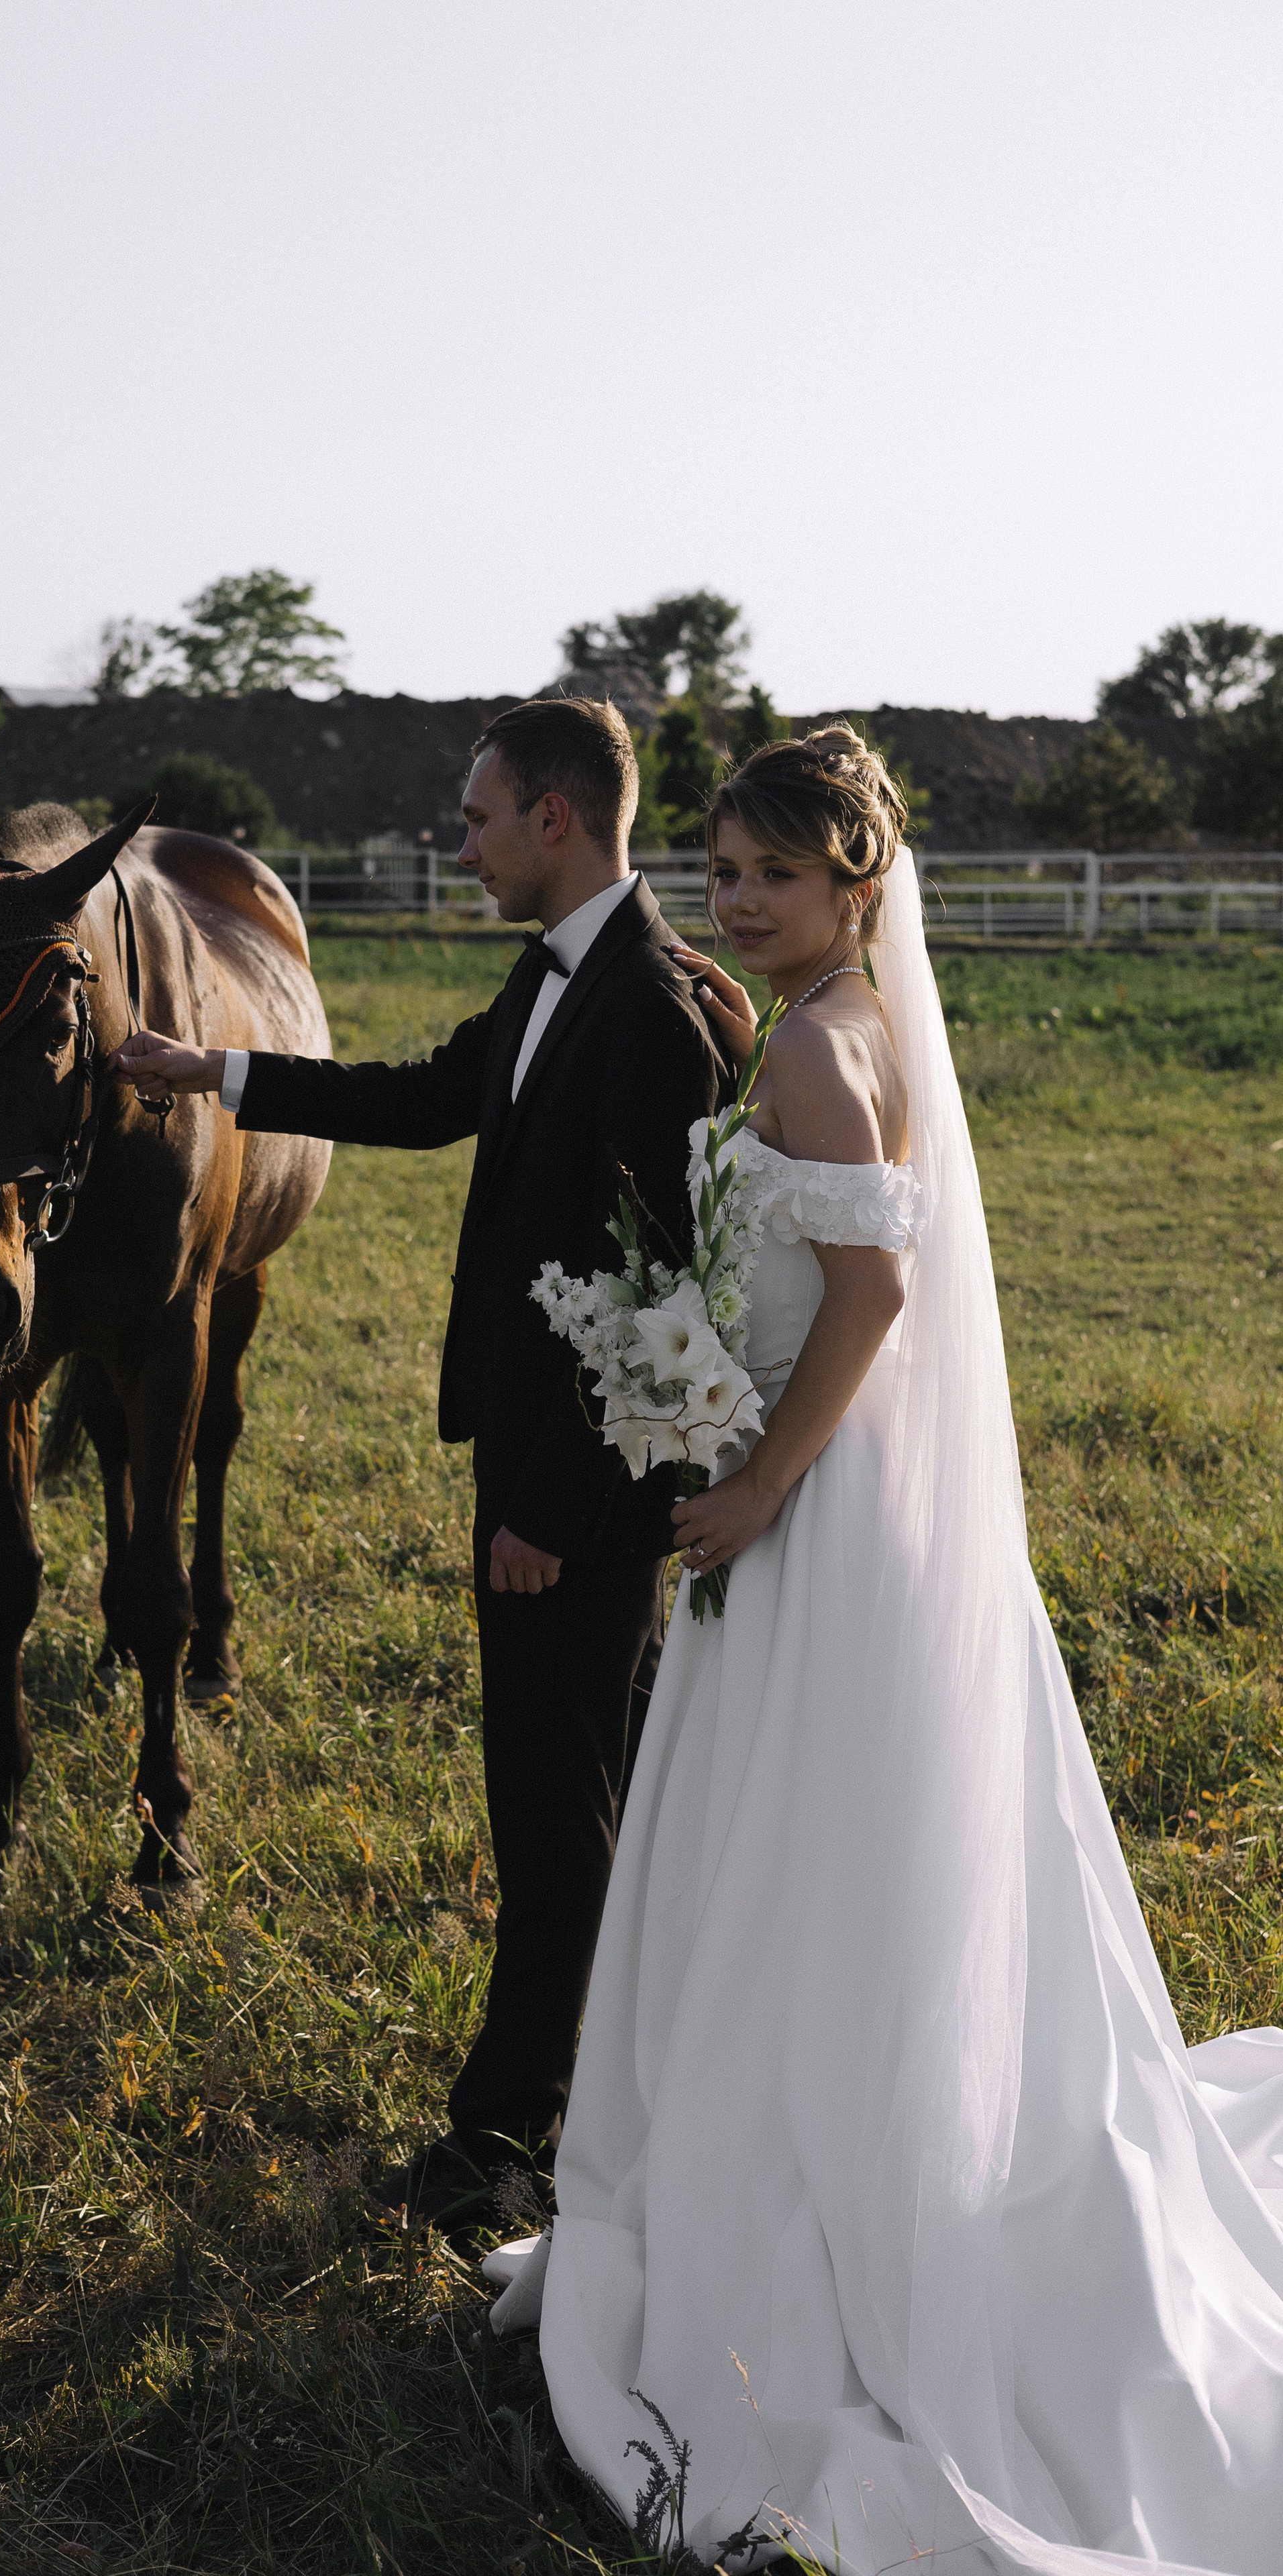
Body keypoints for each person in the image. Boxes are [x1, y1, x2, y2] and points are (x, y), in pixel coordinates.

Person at [484, 726, 1283, 2575]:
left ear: (860, 885)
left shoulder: (831, 1060)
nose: (737, 899)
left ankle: (806, 2218)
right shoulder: (828, 1032)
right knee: (804, 1854)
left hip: (819, 1517)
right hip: (823, 1507)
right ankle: (780, 2160)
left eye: (773, 873)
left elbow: (875, 1296)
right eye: (723, 868)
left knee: (799, 1861)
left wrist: (757, 1475)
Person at [113, 696, 731, 2224]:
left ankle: (505, 2141)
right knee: (583, 1785)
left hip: (568, 1494)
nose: (454, 846)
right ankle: (601, 2092)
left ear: (554, 819)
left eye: (472, 819)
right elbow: (421, 1100)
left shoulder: (644, 1009)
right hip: (530, 1461)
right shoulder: (558, 978)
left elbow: (662, 1295)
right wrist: (217, 1075)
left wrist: (545, 1513)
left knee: (551, 1804)